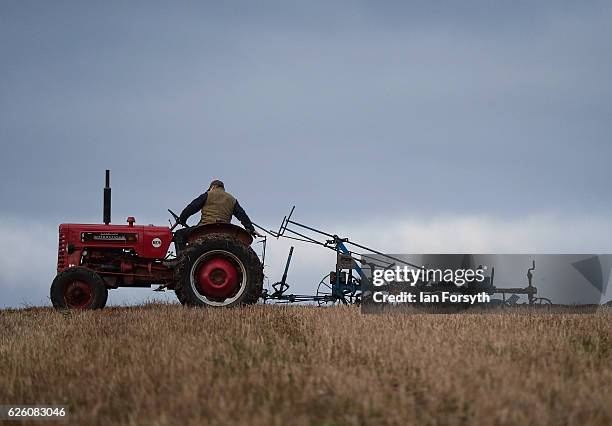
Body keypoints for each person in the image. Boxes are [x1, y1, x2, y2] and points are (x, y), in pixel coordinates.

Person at [174, 180, 261, 250]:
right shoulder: (231, 199)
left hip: (205, 228)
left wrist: (182, 219)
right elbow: (242, 215)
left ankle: (180, 261)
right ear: (223, 188)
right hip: (224, 231)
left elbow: (192, 207)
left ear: (213, 187)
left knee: (179, 234)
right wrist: (250, 228)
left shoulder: (208, 194)